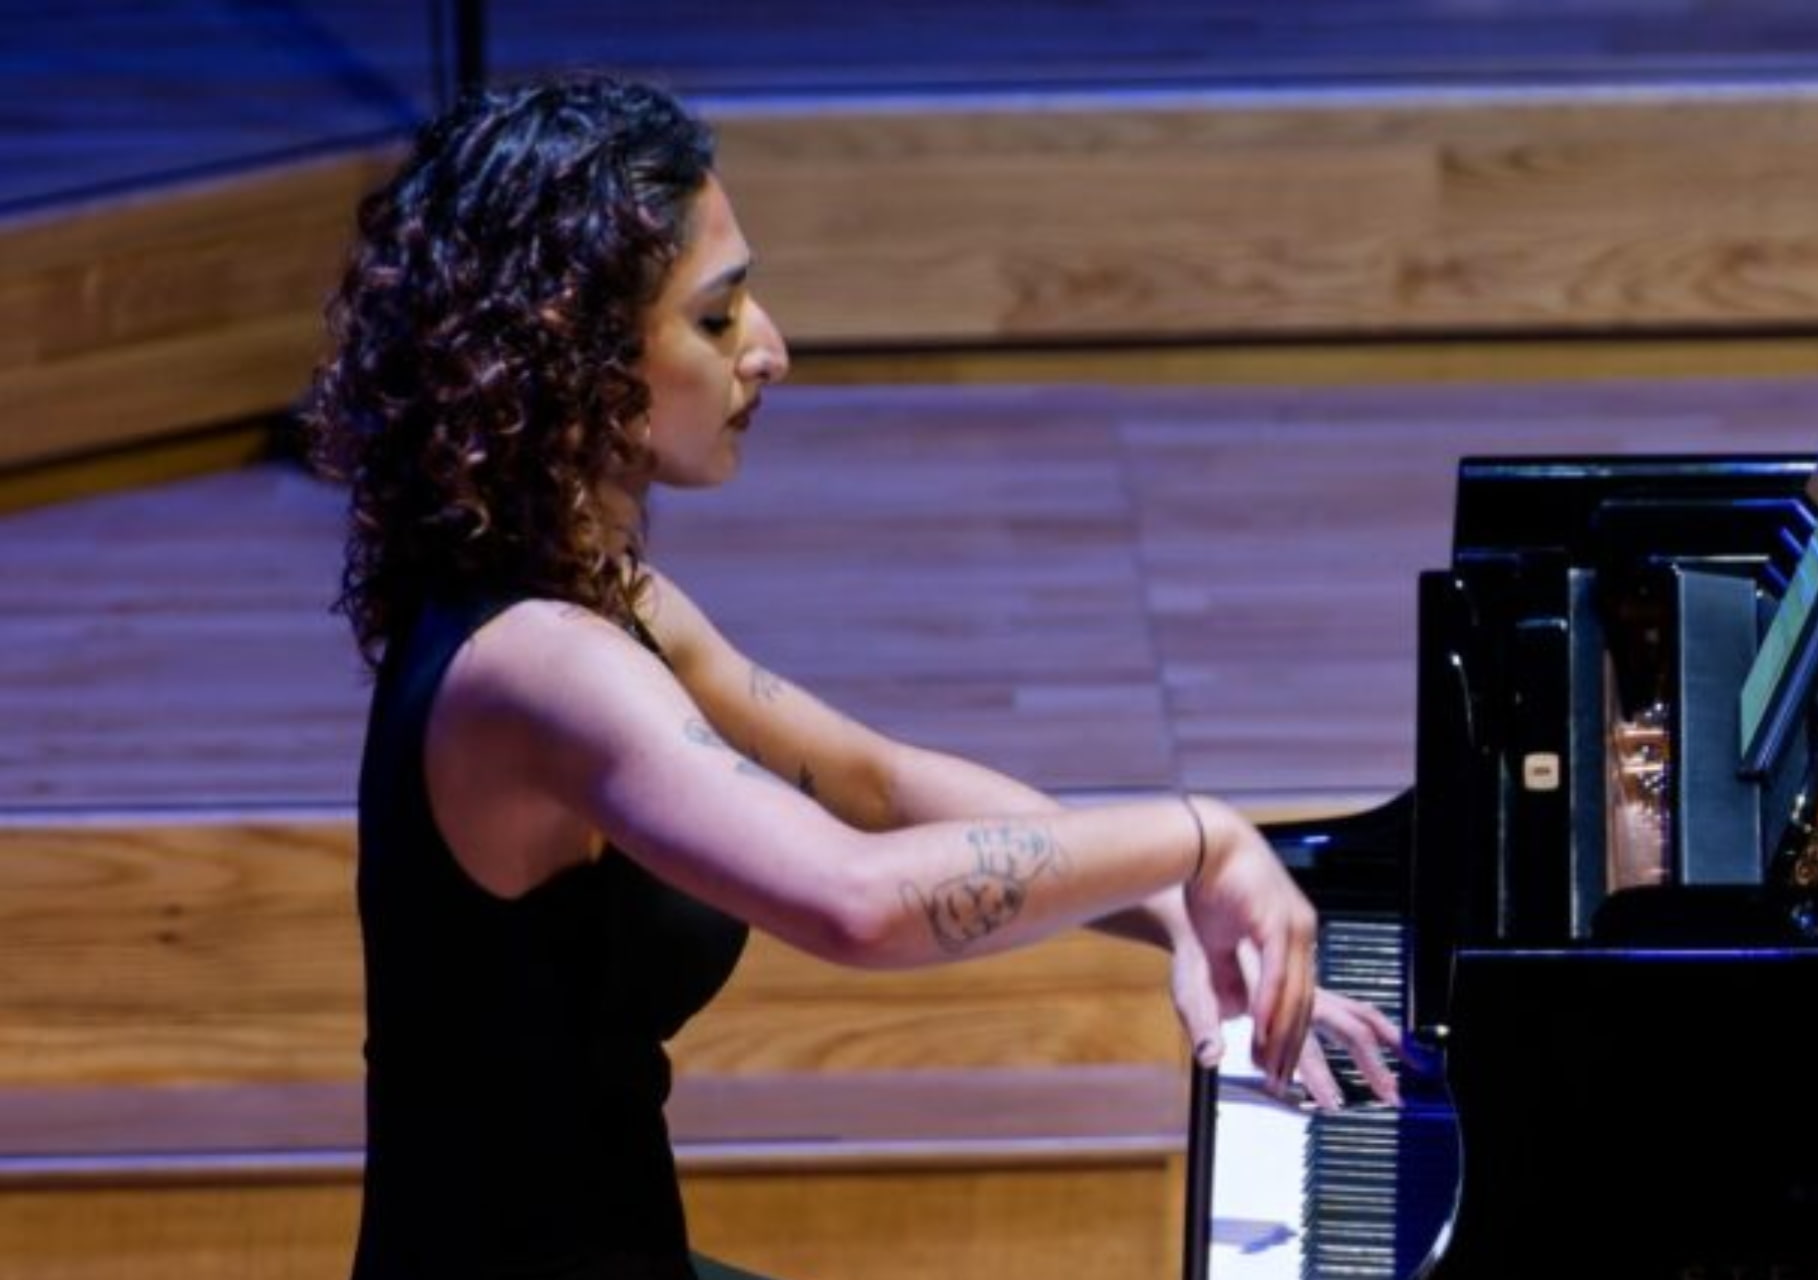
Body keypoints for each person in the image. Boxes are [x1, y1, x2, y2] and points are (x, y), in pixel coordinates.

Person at [307, 74, 1401, 1280]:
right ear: (573, 355)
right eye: (717, 320)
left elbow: (871, 783)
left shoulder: (605, 607)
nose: (769, 348)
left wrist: (1172, 918)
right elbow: (858, 897)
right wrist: (1194, 837)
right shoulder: (541, 670)